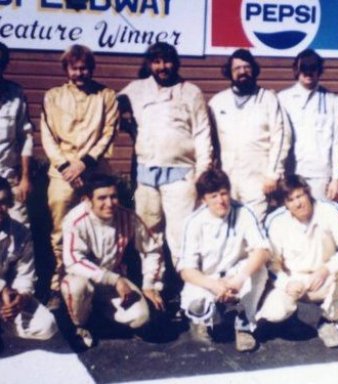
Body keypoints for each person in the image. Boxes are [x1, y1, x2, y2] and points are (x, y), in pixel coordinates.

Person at [119, 42, 213, 267]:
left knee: (181, 233)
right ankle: (153, 286)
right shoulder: (136, 88)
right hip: (145, 173)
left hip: (181, 173)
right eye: (157, 61)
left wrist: (203, 171)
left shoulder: (191, 91)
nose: (162, 67)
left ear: (176, 63)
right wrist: (123, 113)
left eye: (167, 61)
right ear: (149, 64)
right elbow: (111, 103)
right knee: (147, 232)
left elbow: (202, 132)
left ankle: (186, 288)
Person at [40, 45, 119, 308]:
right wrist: (65, 167)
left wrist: (83, 164)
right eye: (74, 68)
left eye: (84, 67)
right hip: (62, 174)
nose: (79, 73)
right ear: (67, 70)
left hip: (94, 172)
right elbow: (48, 137)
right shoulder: (52, 96)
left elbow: (108, 132)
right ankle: (58, 283)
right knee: (60, 230)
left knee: (99, 226)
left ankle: (100, 285)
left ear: (91, 68)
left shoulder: (106, 96)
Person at [258, 175, 338, 348]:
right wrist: (286, 283)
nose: (298, 204)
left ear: (308, 193)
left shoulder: (329, 210)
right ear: (285, 204)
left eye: (300, 196)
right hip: (294, 280)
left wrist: (327, 269)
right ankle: (289, 318)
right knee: (274, 313)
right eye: (291, 200)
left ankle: (327, 320)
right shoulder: (276, 220)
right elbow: (270, 263)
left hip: (324, 277)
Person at [60, 174, 165, 349]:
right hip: (85, 280)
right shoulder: (74, 220)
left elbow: (152, 249)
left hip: (114, 282)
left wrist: (149, 284)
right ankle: (80, 325)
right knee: (76, 287)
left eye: (113, 196)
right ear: (87, 200)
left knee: (141, 317)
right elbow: (72, 261)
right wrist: (114, 279)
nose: (109, 203)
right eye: (102, 198)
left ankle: (101, 316)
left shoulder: (128, 217)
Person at [178, 169, 270, 352]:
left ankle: (244, 325)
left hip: (235, 275)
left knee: (260, 270)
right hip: (208, 279)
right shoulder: (193, 222)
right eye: (213, 196)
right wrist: (213, 285)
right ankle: (205, 319)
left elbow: (262, 250)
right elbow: (186, 270)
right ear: (204, 200)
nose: (221, 200)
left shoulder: (244, 212)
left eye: (224, 193)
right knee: (197, 306)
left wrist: (240, 279)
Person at [209, 49, 290, 222]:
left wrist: (273, 174)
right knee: (227, 224)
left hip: (258, 178)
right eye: (237, 68)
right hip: (227, 177)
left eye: (247, 67)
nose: (242, 72)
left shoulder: (268, 99)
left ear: (254, 69)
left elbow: (281, 138)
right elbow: (208, 141)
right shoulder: (217, 102)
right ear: (229, 72)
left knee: (254, 224)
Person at [278, 49, 338, 201]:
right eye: (304, 69)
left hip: (321, 176)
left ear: (319, 70)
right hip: (291, 174)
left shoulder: (332, 100)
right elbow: (277, 140)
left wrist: (336, 179)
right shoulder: (283, 99)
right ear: (296, 70)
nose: (308, 74)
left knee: (319, 221)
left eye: (313, 69)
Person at [0, 177, 57, 346]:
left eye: (3, 202)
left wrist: (21, 298)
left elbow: (25, 273)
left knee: (47, 325)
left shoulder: (20, 232)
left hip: (4, 297)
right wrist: (2, 288)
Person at [0, 42, 33, 226]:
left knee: (20, 230)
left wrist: (25, 178)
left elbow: (26, 137)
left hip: (9, 179)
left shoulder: (16, 94)